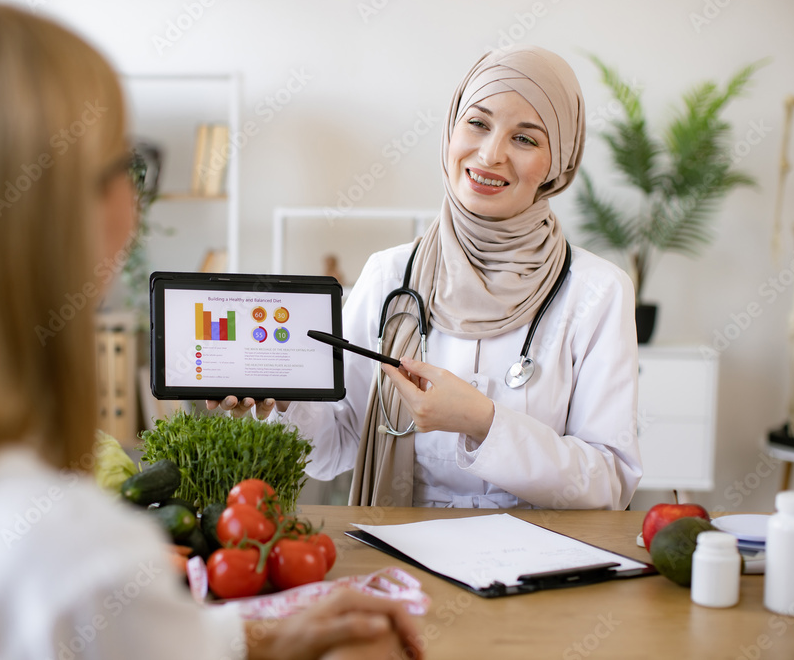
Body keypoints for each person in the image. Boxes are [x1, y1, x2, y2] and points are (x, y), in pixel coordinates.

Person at [0, 3, 422, 660]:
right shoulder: (74, 554)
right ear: (48, 219)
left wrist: (255, 642)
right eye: (125, 167)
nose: (135, 200)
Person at [212, 46, 642, 510]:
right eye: (477, 123)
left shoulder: (598, 291)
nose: (491, 153)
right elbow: (333, 449)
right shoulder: (390, 275)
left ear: (557, 165)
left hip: (543, 563)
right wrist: (286, 400)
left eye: (526, 139)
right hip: (409, 552)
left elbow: (609, 484)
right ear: (451, 130)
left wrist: (484, 422)